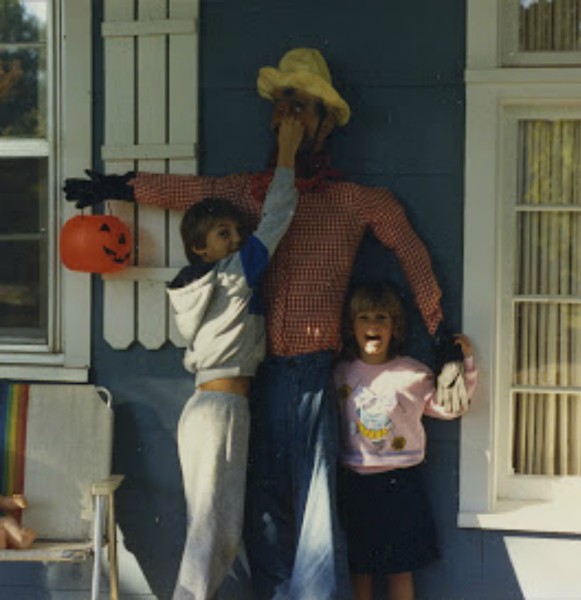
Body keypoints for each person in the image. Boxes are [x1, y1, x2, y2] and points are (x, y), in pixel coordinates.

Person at [64, 48, 461, 600]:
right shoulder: (247, 194)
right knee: (261, 509)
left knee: (317, 509)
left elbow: (412, 253)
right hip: (252, 378)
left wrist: (441, 336)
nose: (284, 118)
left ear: (323, 119)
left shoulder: (357, 201)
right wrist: (117, 187)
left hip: (315, 376)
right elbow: (187, 194)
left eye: (297, 106)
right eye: (278, 106)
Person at [167, 117, 303, 600]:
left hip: (216, 408)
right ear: (200, 248)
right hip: (220, 410)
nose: (237, 238)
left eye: (235, 231)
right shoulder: (231, 276)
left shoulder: (207, 284)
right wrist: (287, 153)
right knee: (212, 534)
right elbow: (277, 215)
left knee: (218, 531)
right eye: (223, 233)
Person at [334, 282, 477, 600]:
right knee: (361, 569)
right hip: (355, 485)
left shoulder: (412, 374)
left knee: (401, 568)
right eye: (364, 318)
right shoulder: (339, 374)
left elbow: (450, 407)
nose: (373, 325)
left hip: (401, 485)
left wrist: (466, 366)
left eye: (382, 317)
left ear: (395, 327)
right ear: (351, 326)